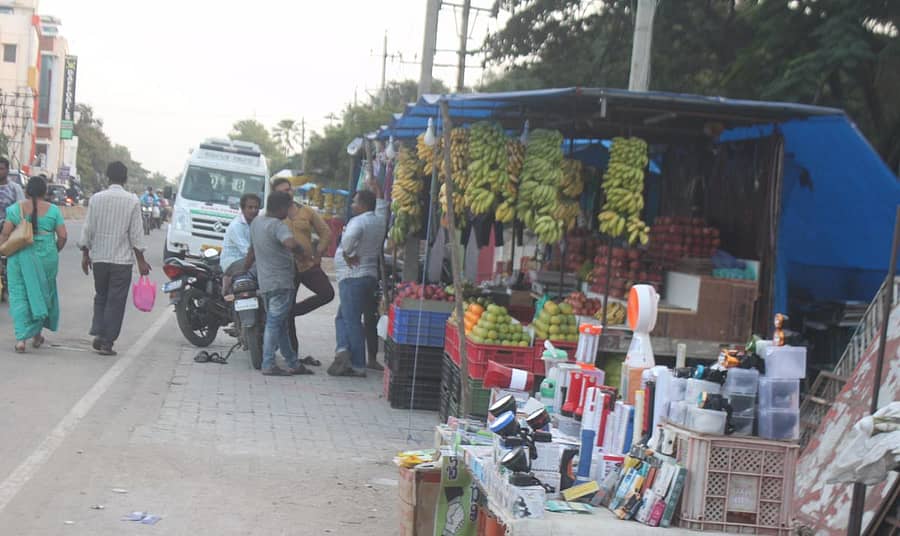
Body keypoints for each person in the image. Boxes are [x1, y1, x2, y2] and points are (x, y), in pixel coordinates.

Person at [78, 161, 151, 356]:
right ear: (125, 179)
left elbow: (88, 229)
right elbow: (136, 234)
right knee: (116, 301)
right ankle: (107, 341)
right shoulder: (132, 201)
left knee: (101, 296)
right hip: (121, 261)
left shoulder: (96, 199)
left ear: (108, 177)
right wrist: (141, 261)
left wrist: (86, 255)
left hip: (100, 258)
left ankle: (100, 334)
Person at [244, 191, 312, 376]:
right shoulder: (278, 226)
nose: (290, 211)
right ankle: (268, 363)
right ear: (281, 208)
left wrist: (243, 269)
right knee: (274, 323)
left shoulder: (257, 223)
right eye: (289, 207)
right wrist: (303, 253)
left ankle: (292, 362)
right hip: (281, 283)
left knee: (280, 325)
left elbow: (251, 251)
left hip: (265, 282)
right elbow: (290, 243)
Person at [328, 178, 387, 378]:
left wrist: (347, 252)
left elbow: (349, 238)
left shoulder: (358, 221)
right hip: (368, 276)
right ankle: (343, 349)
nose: (352, 206)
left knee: (351, 320)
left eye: (354, 202)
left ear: (362, 206)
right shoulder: (378, 219)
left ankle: (358, 364)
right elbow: (382, 207)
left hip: (352, 276)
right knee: (342, 316)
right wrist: (378, 191)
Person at [0, 176, 67, 353]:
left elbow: (5, 234)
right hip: (47, 256)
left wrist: (4, 250)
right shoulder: (53, 211)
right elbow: (62, 236)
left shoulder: (15, 209)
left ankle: (22, 340)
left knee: (20, 295)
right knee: (42, 295)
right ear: (45, 191)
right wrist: (54, 250)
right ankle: (36, 334)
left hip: (20, 256)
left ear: (27, 191)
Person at [271, 178, 334, 363]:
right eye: (283, 191)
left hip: (307, 265)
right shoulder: (273, 215)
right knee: (286, 313)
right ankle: (293, 355)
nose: (288, 193)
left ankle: (295, 310)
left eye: (289, 189)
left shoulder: (305, 211)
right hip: (285, 269)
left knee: (327, 293)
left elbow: (326, 232)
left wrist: (319, 253)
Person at [220, 193, 260, 292]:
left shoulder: (256, 223)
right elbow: (247, 251)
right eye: (250, 207)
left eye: (256, 207)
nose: (253, 210)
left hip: (249, 260)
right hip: (233, 261)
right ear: (242, 209)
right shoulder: (236, 226)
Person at [0, 157, 25, 226]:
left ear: (8, 170)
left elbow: (21, 209)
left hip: (8, 230)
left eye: (1, 169)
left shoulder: (15, 188)